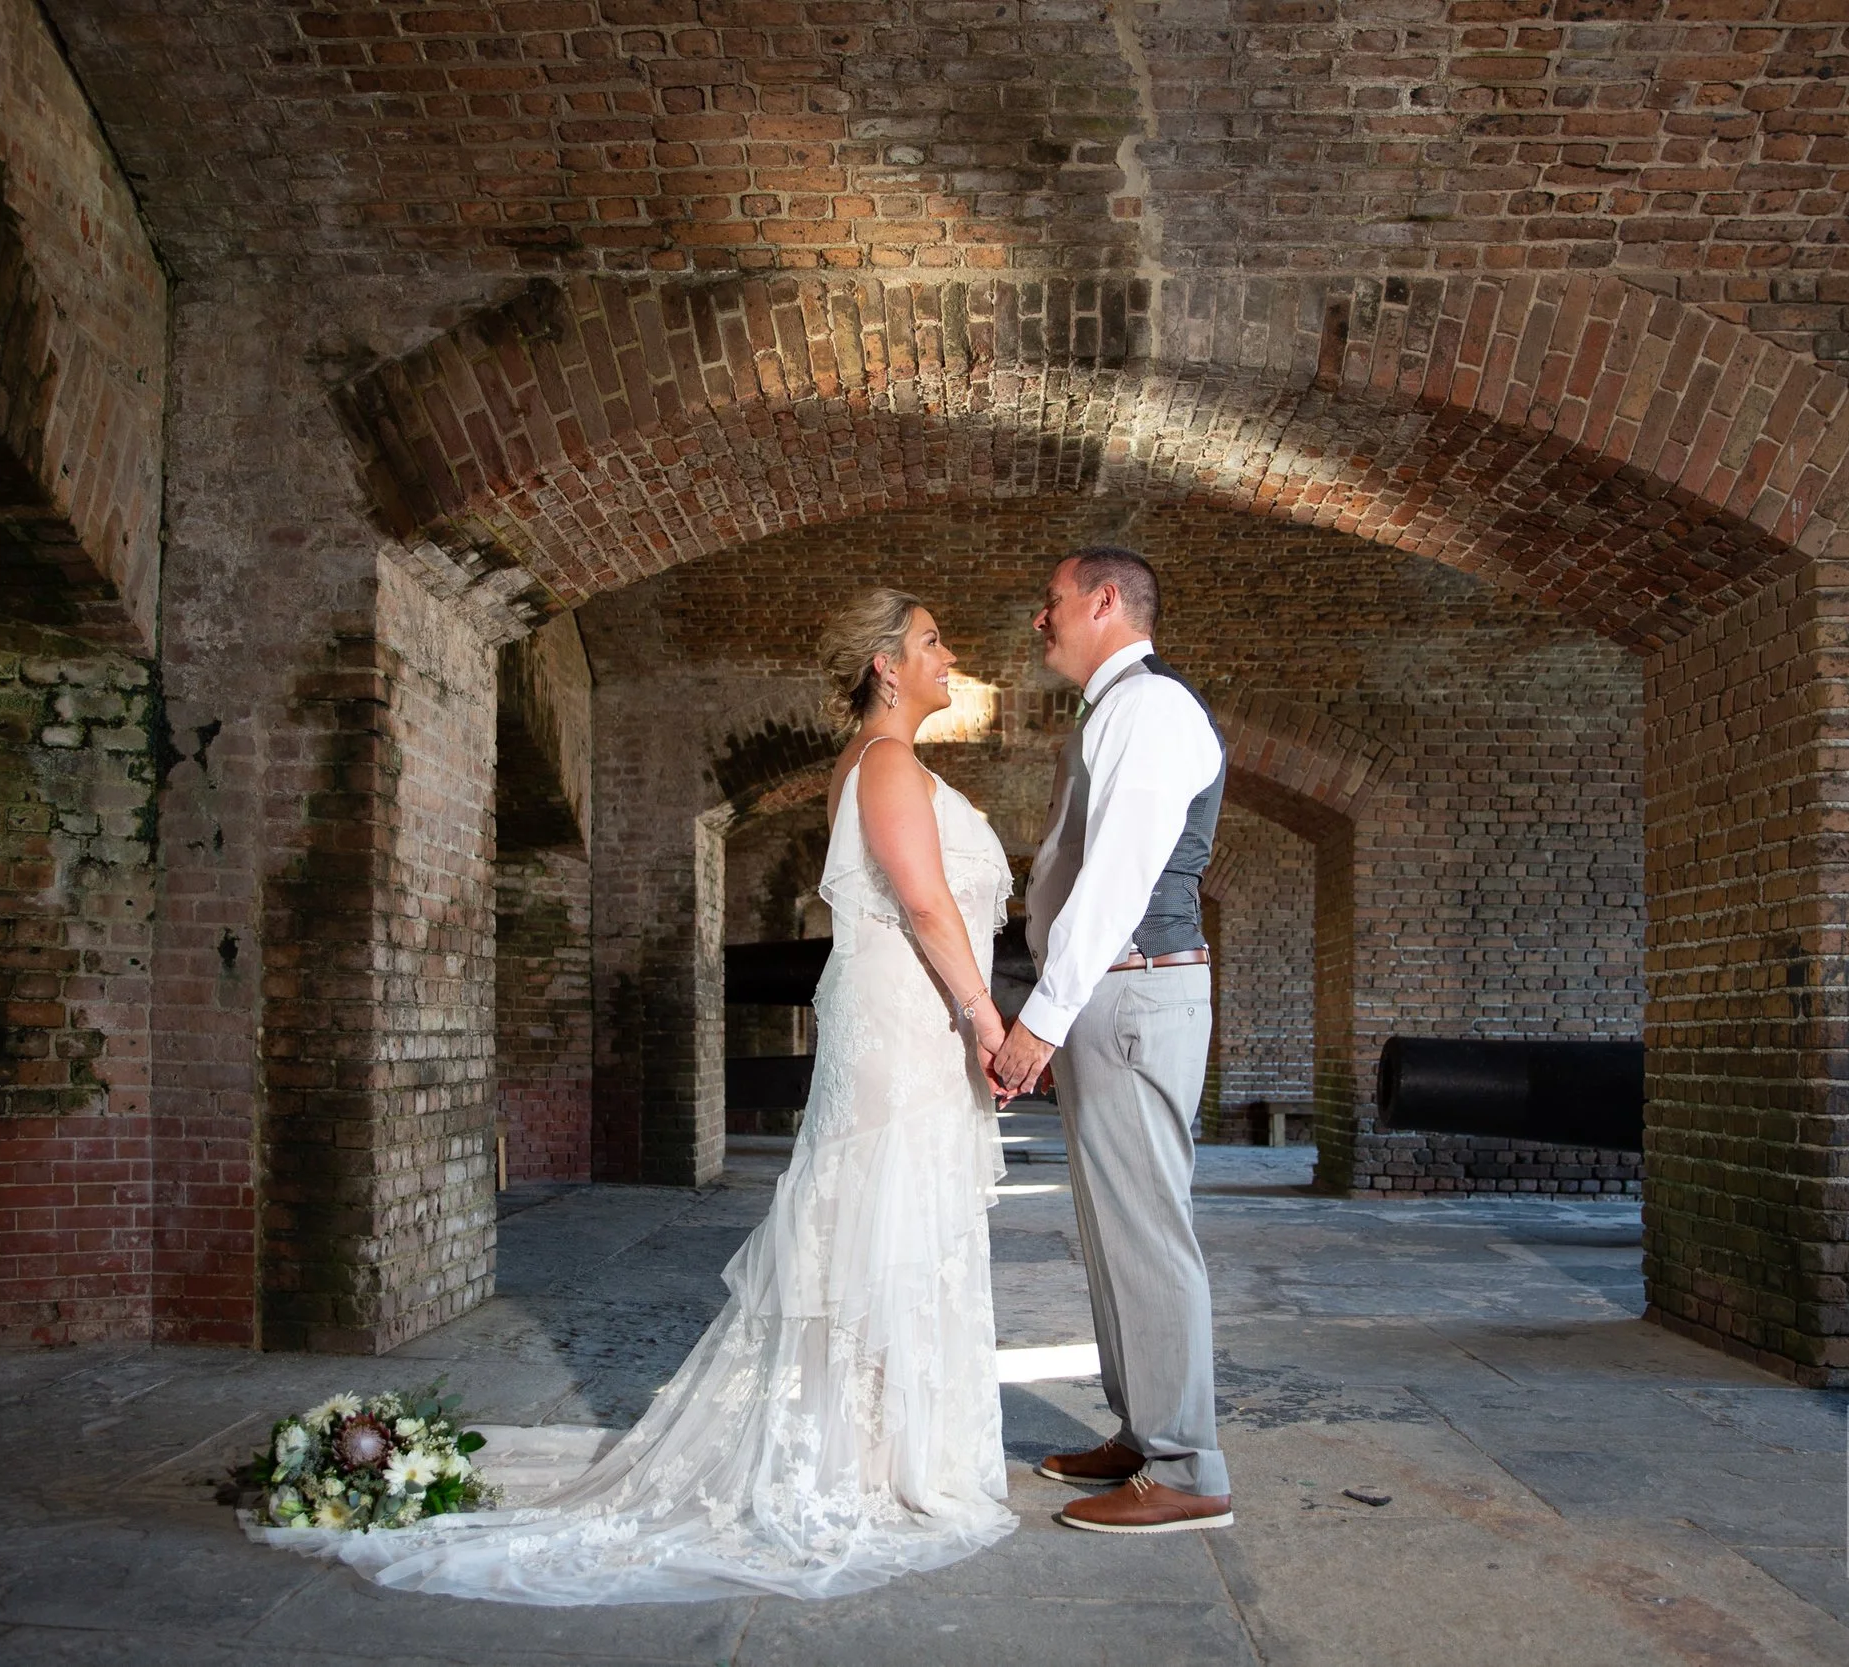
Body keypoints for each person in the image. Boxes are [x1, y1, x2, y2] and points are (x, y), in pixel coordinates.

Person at [250, 589, 1017, 1604]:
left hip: (908, 1019)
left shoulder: (892, 764)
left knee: (894, 1221)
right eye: (929, 640)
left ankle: (885, 1442)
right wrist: (984, 1015)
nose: (947, 651)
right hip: (904, 1019)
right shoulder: (882, 763)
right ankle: (869, 1452)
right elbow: (921, 901)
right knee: (879, 1215)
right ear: (883, 664)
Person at [990, 546, 1233, 1534]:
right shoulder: (1119, 709)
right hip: (1117, 993)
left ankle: (1187, 1466)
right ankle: (1143, 1433)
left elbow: (1120, 876)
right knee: (1112, 1228)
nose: (1039, 620)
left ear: (1103, 601)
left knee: (1145, 1226)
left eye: (1050, 603)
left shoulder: (1151, 707)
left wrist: (1037, 1021)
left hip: (1131, 992)